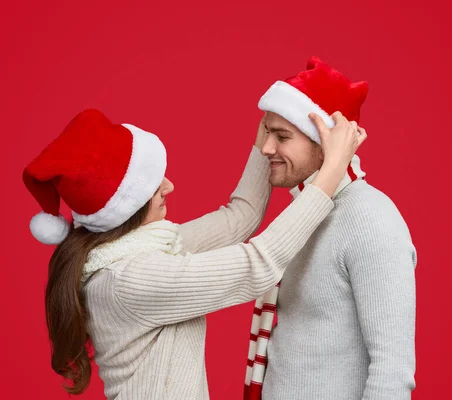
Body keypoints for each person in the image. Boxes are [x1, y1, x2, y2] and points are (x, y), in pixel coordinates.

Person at [23, 108, 366, 400]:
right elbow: (259, 263)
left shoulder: (142, 248)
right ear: (124, 207)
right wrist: (332, 170)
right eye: (155, 186)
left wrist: (269, 121)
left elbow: (239, 218)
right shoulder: (128, 280)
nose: (169, 186)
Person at [244, 57, 417, 400]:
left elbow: (392, 370)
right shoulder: (303, 214)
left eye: (282, 136)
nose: (266, 148)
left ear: (324, 144)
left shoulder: (370, 218)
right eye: (266, 132)